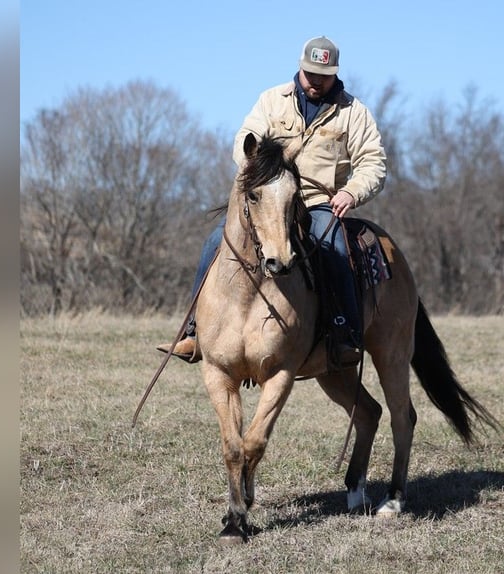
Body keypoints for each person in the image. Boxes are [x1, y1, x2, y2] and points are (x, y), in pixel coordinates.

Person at [157, 35, 387, 365]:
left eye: (323, 75)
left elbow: (373, 161)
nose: (316, 82)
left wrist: (351, 191)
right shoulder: (271, 101)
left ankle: (344, 333)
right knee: (214, 240)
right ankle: (193, 332)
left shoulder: (354, 113)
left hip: (317, 202)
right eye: (311, 74)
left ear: (335, 73)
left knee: (334, 245)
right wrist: (260, 168)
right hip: (269, 198)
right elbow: (244, 139)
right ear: (300, 67)